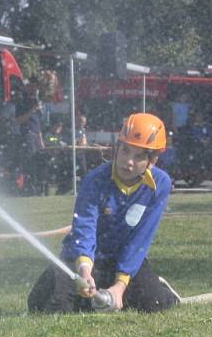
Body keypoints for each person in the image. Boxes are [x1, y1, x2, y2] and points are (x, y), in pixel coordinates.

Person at [28, 112, 180, 313]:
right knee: (50, 305)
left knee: (155, 304)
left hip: (122, 262)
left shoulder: (160, 184)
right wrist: (84, 271)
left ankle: (156, 288)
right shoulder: (95, 180)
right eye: (125, 150)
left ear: (153, 161)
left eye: (139, 156)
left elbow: (140, 240)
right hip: (86, 259)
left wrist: (119, 286)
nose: (128, 162)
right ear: (117, 148)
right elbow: (84, 228)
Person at [15, 78, 46, 195]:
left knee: (39, 161)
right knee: (29, 162)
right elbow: (18, 120)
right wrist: (32, 110)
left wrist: (41, 140)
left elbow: (38, 124)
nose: (33, 89)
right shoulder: (22, 102)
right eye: (31, 86)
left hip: (36, 136)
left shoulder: (37, 102)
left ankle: (38, 186)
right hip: (27, 135)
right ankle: (28, 187)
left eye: (35, 87)